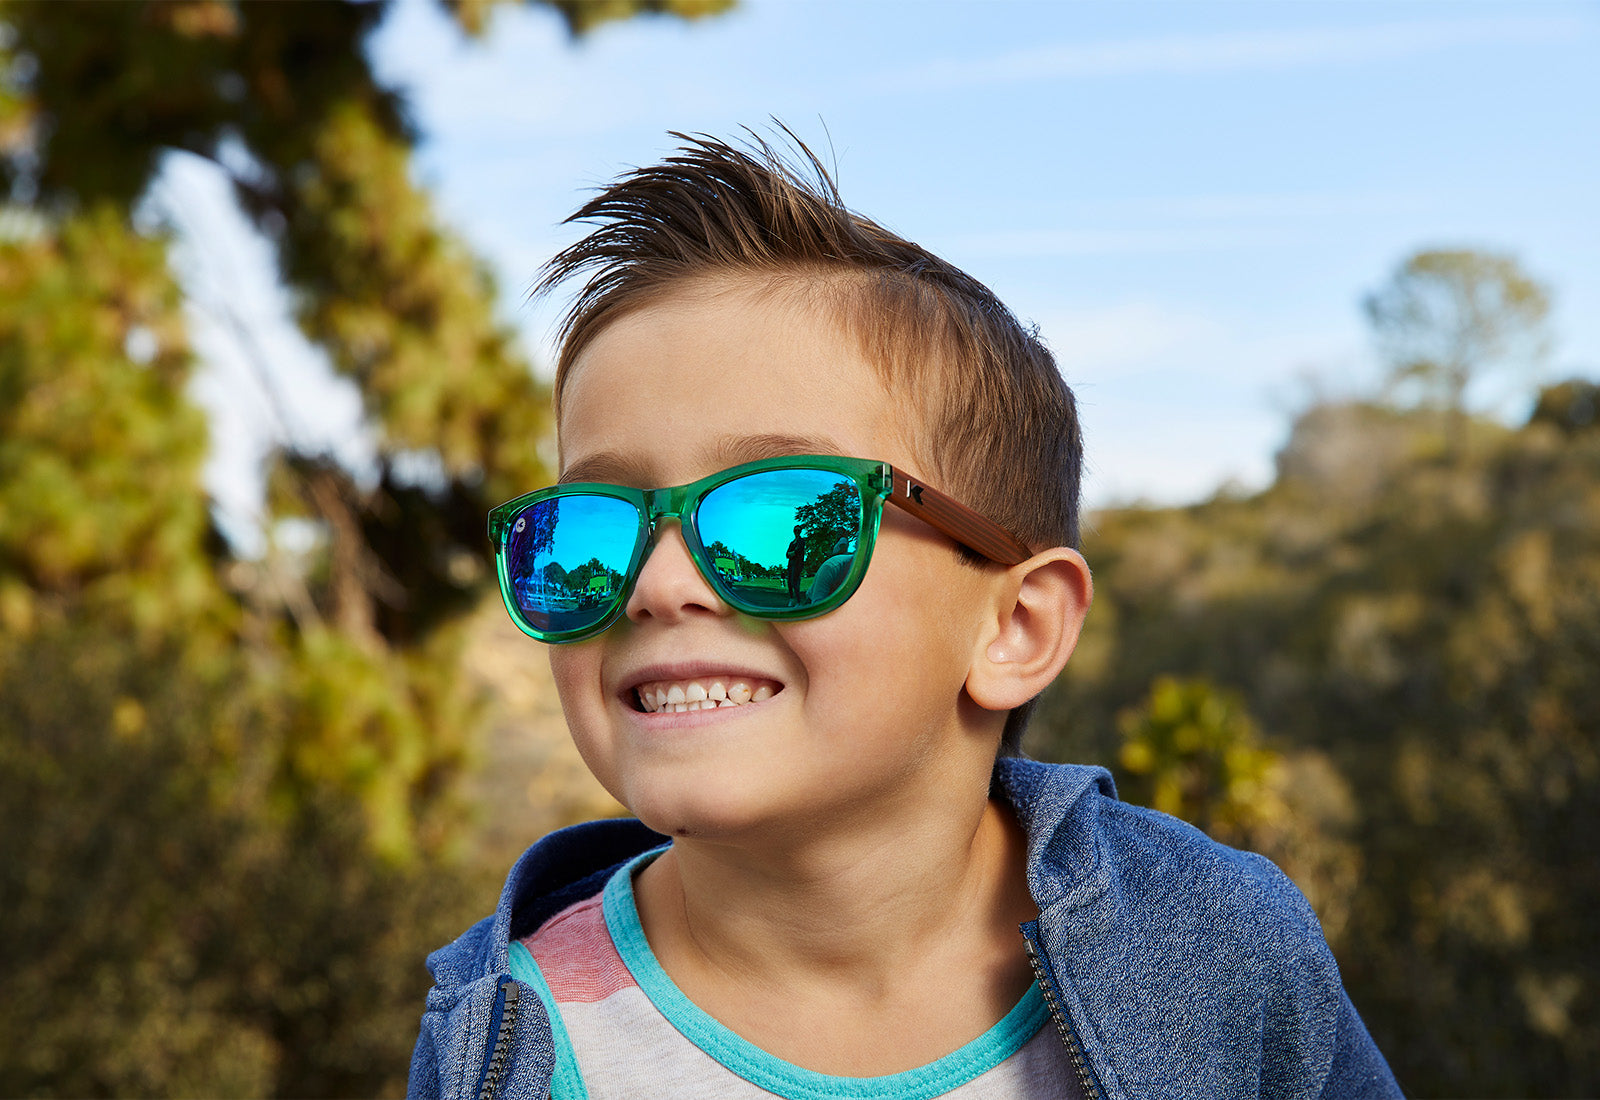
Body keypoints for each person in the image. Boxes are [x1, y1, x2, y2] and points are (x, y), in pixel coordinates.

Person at [408, 132, 1401, 1100]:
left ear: (1014, 626)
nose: (655, 584)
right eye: (589, 530)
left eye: (784, 519)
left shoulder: (1217, 945)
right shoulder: (503, 1040)